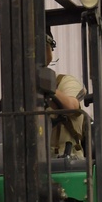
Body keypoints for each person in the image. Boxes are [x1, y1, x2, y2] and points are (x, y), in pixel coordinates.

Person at [44, 29, 86, 158]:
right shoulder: (18, 92)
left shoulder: (65, 82)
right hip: (32, 161)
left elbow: (72, 107)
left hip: (66, 160)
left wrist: (44, 87)